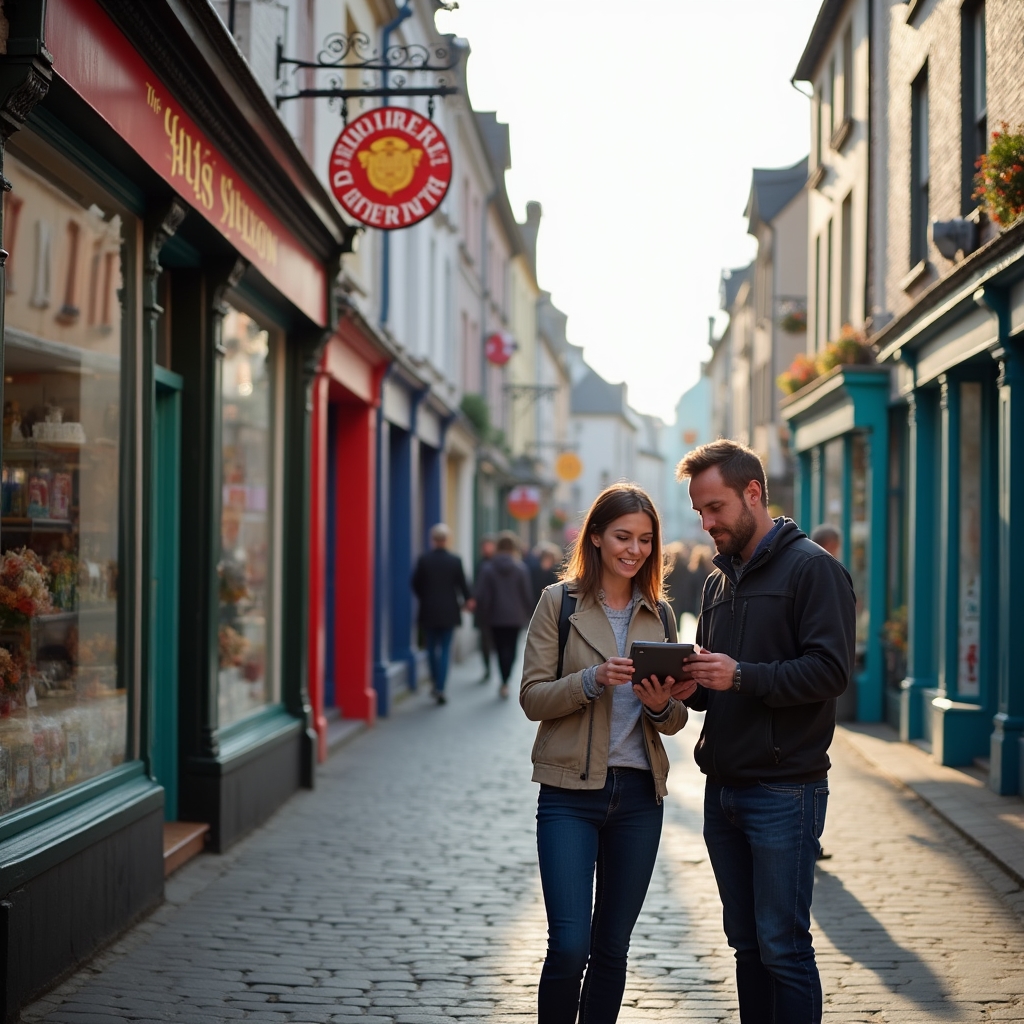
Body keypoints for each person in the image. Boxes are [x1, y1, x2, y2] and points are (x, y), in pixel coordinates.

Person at [674, 440, 855, 1024]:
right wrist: (684, 687)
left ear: (754, 493)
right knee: (746, 947)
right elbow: (714, 684)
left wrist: (741, 676)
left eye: (716, 507)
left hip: (785, 790)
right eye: (700, 512)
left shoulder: (814, 569)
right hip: (722, 788)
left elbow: (830, 672)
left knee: (783, 949)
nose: (707, 523)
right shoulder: (717, 579)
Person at [520, 483, 695, 1024]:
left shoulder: (661, 615)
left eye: (645, 539)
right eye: (622, 536)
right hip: (570, 794)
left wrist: (662, 705)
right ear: (595, 537)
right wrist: (591, 680)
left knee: (611, 950)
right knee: (570, 943)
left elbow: (674, 721)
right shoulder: (560, 603)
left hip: (640, 796)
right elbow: (532, 698)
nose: (634, 549)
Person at [410, 523, 472, 706]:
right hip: (449, 611)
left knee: (430, 648)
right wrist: (468, 600)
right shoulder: (455, 560)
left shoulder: (424, 560)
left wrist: (425, 597)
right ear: (447, 540)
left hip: (428, 610)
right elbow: (463, 585)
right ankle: (441, 686)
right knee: (445, 649)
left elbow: (415, 584)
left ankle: (434, 680)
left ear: (433, 540)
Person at [475, 532, 534, 698]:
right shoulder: (521, 569)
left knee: (500, 648)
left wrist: (482, 615)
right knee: (512, 648)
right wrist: (529, 615)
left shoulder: (488, 569)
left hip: (494, 617)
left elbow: (482, 595)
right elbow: (526, 595)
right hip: (515, 617)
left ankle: (503, 680)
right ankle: (506, 680)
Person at [473, 535, 497, 683]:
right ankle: (487, 668)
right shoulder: (480, 564)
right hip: (483, 611)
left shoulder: (496, 564)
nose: (486, 549)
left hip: (496, 609)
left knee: (495, 641)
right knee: (485, 641)